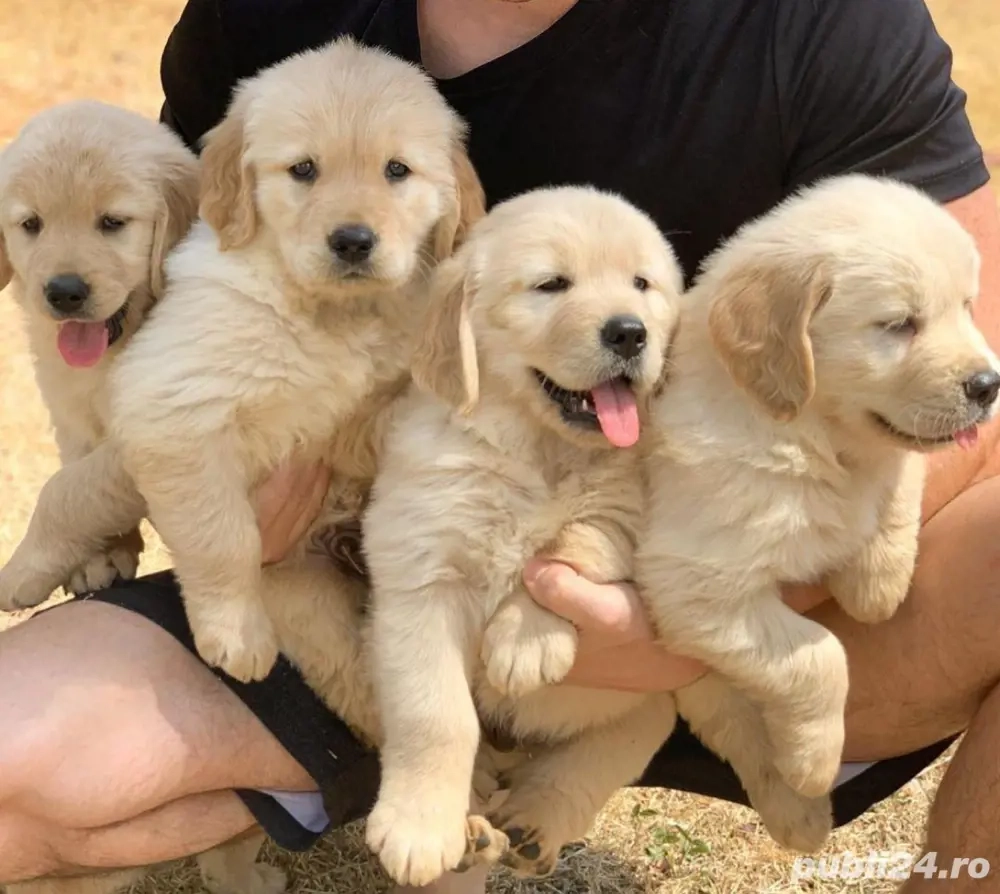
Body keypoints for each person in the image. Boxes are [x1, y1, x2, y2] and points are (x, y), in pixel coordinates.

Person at [1, 1, 998, 892]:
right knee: (20, 768)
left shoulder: (826, 24)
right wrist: (205, 510)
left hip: (721, 559)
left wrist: (718, 609)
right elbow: (151, 312)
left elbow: (967, 348)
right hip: (355, 582)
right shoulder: (262, 26)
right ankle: (383, 768)